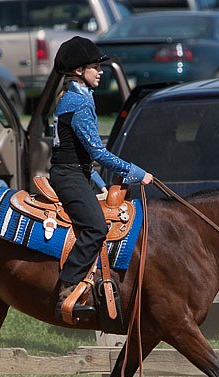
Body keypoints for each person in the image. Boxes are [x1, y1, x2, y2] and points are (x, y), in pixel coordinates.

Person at [50, 36, 155, 321]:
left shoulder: (74, 97)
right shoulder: (78, 102)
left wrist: (101, 184)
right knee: (95, 226)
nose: (100, 71)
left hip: (75, 173)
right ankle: (67, 288)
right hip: (69, 176)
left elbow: (81, 155)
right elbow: (97, 151)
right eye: (95, 67)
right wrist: (136, 172)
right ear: (78, 71)